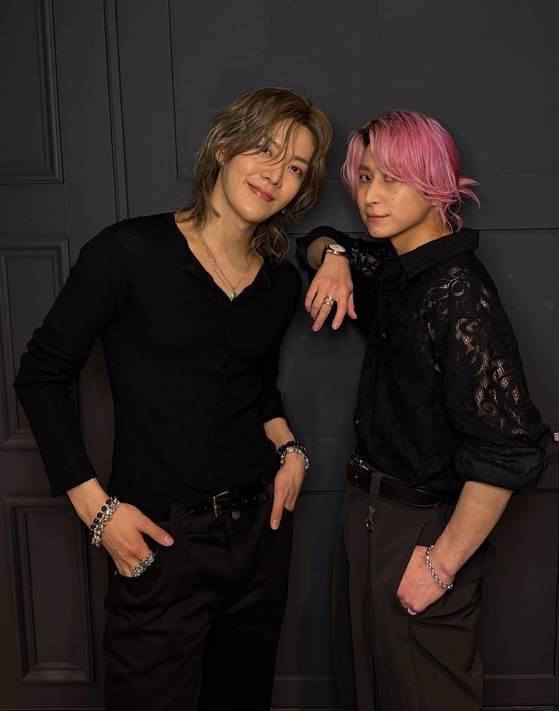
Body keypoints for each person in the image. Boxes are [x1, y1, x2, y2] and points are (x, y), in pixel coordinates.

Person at [14, 87, 333, 711]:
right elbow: (40, 376)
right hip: (160, 542)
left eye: (295, 166)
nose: (275, 175)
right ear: (224, 146)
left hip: (261, 538)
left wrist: (291, 449)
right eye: (264, 149)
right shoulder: (127, 252)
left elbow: (257, 389)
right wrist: (99, 513)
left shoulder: (279, 283)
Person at [296, 110, 551, 711]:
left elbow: (510, 448)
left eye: (392, 180)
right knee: (366, 693)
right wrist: (335, 256)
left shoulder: (458, 292)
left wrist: (441, 564)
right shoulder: (394, 267)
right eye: (365, 178)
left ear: (435, 184)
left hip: (422, 530)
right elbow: (311, 242)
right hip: (366, 513)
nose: (370, 197)